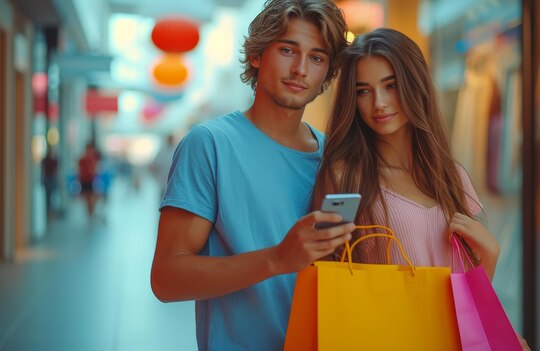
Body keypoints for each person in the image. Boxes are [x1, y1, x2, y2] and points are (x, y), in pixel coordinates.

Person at [149, 1, 351, 350]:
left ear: (327, 73)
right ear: (257, 55)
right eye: (288, 50)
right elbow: (166, 279)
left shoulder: (334, 156)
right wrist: (277, 259)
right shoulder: (210, 145)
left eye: (317, 58)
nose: (301, 69)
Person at [312, 28, 530, 350]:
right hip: (386, 339)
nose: (379, 103)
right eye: (363, 91)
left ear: (414, 84)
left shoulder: (452, 176)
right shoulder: (346, 176)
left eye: (391, 85)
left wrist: (490, 255)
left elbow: (469, 296)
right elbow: (327, 275)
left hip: (453, 339)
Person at [149, 133, 177, 199]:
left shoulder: (175, 149)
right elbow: (154, 164)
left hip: (173, 182)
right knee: (162, 198)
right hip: (162, 180)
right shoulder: (162, 150)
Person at [77, 141, 101, 217]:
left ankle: (90, 212)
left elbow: (95, 169)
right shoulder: (83, 159)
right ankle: (90, 213)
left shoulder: (92, 158)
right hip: (86, 180)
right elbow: (80, 170)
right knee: (88, 197)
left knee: (91, 197)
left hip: (91, 180)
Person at [41, 147, 59, 218]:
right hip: (48, 178)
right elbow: (43, 170)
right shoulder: (47, 160)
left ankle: (49, 212)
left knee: (50, 196)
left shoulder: (53, 160)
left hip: (50, 178)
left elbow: (56, 171)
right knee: (48, 196)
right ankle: (48, 212)